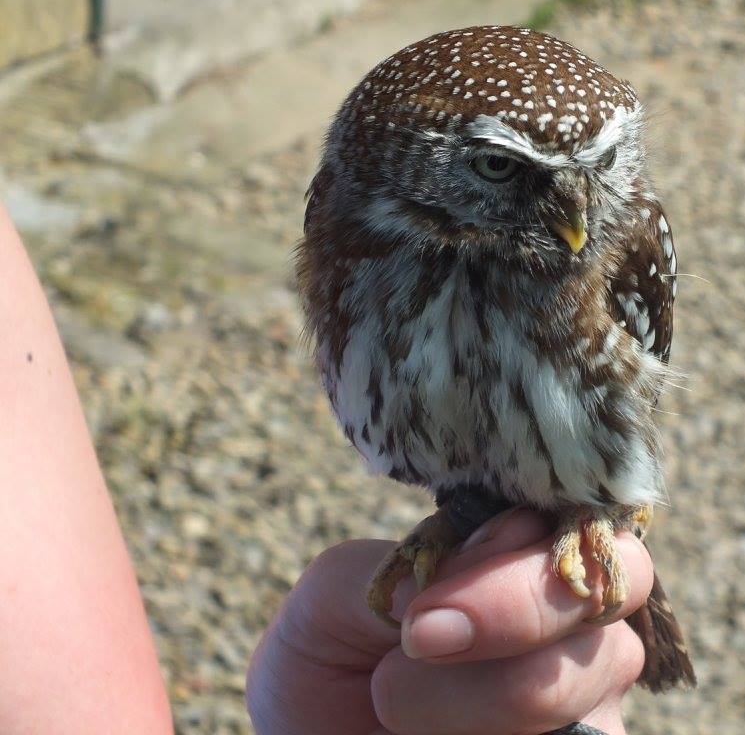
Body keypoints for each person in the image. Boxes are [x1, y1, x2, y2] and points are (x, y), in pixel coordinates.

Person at [0, 202, 649, 734]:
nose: (576, 211)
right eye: (501, 170)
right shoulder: (367, 235)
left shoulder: (611, 239)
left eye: (600, 168)